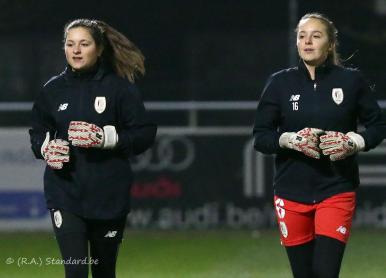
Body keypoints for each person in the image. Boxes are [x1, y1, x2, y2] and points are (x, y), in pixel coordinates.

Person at [253, 13, 385, 278]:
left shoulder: (351, 81)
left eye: (316, 35)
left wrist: (354, 141)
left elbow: (379, 125)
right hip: (291, 192)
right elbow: (261, 136)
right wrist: (288, 139)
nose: (308, 41)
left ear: (331, 44)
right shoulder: (280, 83)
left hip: (336, 188)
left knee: (325, 273)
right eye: (302, 36)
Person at [29, 19, 157, 278]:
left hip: (109, 195)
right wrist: (46, 149)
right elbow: (38, 132)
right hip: (65, 192)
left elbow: (144, 133)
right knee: (75, 272)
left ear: (98, 49)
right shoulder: (51, 90)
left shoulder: (119, 89)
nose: (76, 50)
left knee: (104, 272)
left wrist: (105, 138)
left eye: (84, 44)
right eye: (70, 44)